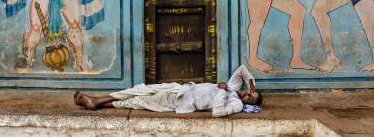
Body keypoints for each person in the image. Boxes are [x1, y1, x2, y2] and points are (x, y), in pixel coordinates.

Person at [74, 65, 263, 117]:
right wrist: (253, 88)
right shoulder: (236, 88)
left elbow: (217, 112)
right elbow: (242, 69)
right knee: (141, 89)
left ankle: (97, 102)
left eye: (250, 98)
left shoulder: (236, 103)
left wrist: (222, 91)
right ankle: (97, 101)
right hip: (181, 88)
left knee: (139, 101)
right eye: (249, 93)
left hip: (181, 102)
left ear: (248, 104)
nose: (247, 95)